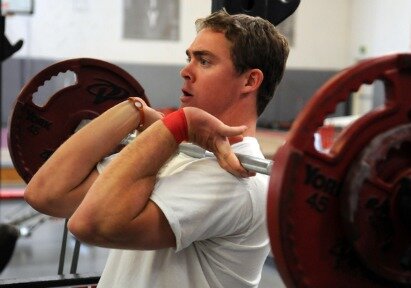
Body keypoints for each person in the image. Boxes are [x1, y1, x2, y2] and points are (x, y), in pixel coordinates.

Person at [24, 9, 289, 288]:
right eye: (189, 58)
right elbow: (46, 193)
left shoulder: (236, 181)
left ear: (250, 81)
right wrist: (135, 110)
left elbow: (90, 225)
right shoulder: (173, 152)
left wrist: (175, 126)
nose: (186, 71)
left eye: (205, 61)